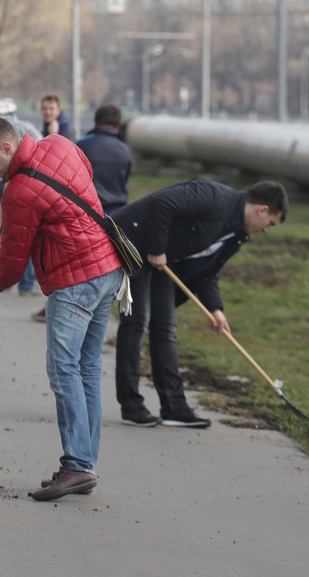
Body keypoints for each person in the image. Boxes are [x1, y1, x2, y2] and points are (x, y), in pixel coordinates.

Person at [0, 115, 125, 502]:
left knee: (64, 368)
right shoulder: (60, 143)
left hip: (75, 282)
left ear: (7, 147)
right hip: (108, 269)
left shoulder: (18, 192)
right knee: (87, 366)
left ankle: (76, 464)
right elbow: (84, 176)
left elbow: (12, 263)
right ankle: (84, 463)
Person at [112, 177, 289, 428]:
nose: (265, 229)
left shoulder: (235, 234)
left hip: (160, 259)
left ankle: (174, 408)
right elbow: (163, 203)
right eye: (269, 222)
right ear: (262, 210)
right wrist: (157, 248)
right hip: (133, 242)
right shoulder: (213, 195)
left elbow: (208, 271)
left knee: (165, 328)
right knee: (137, 321)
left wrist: (216, 308)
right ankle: (131, 405)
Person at [0, 77, 41, 296]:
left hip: (14, 182)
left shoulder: (11, 122)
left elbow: (37, 141)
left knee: (20, 232)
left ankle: (24, 283)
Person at [76, 103, 132, 217]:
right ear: (118, 124)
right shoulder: (125, 150)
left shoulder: (81, 145)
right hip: (118, 215)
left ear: (96, 121)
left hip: (88, 213)